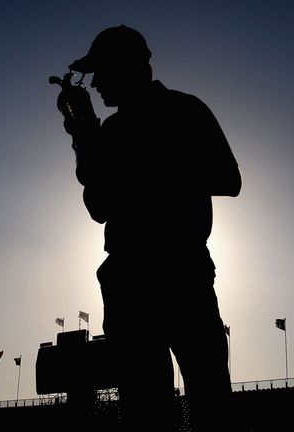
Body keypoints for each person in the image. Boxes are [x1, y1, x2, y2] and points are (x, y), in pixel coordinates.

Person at [61, 25, 241, 431]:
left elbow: (228, 179)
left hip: (175, 272)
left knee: (204, 398)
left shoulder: (183, 111)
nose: (96, 84)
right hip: (138, 279)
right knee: (149, 404)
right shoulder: (114, 129)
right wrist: (83, 132)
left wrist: (140, 170)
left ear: (126, 67)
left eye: (101, 72)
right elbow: (98, 204)